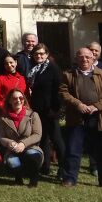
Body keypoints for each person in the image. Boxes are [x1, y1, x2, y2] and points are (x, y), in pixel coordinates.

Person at [59, 47, 102, 189]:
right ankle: (70, 179)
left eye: (87, 57)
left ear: (93, 58)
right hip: (76, 118)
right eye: (81, 57)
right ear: (76, 59)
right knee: (73, 150)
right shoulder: (68, 75)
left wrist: (96, 107)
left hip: (99, 118)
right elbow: (63, 93)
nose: (84, 59)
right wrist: (78, 104)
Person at [27, 43, 63, 176]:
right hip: (38, 110)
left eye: (42, 53)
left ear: (47, 54)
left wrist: (55, 108)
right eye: (36, 54)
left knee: (56, 139)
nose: (39, 56)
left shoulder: (53, 68)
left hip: (51, 110)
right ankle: (45, 166)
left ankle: (63, 168)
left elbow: (59, 89)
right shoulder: (35, 69)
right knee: (43, 138)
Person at [0, 89, 43, 186]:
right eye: (14, 98)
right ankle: (18, 178)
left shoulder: (33, 115)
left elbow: (37, 134)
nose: (18, 100)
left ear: (24, 100)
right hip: (13, 150)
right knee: (12, 162)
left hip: (31, 147)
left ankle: (33, 178)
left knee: (31, 155)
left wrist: (23, 144)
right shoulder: (3, 118)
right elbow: (1, 137)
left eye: (21, 98)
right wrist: (10, 143)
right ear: (9, 101)